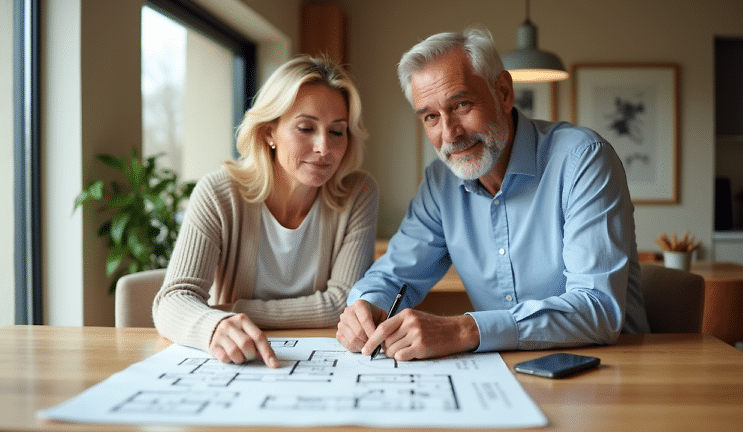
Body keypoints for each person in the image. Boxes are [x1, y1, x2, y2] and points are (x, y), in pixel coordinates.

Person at [336, 27, 649, 361]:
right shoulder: (440, 184)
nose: (449, 133)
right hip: (506, 370)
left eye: (461, 105)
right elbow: (393, 275)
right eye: (430, 117)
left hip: (614, 368)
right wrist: (365, 305)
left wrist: (463, 330)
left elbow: (596, 309)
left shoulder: (583, 159)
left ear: (503, 93)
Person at [153, 55, 378, 367]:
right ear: (269, 132)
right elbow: (172, 300)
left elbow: (343, 302)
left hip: (322, 360)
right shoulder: (219, 193)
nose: (324, 147)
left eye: (337, 131)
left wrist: (231, 309)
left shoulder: (358, 192)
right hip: (241, 360)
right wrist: (214, 325)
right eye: (305, 128)